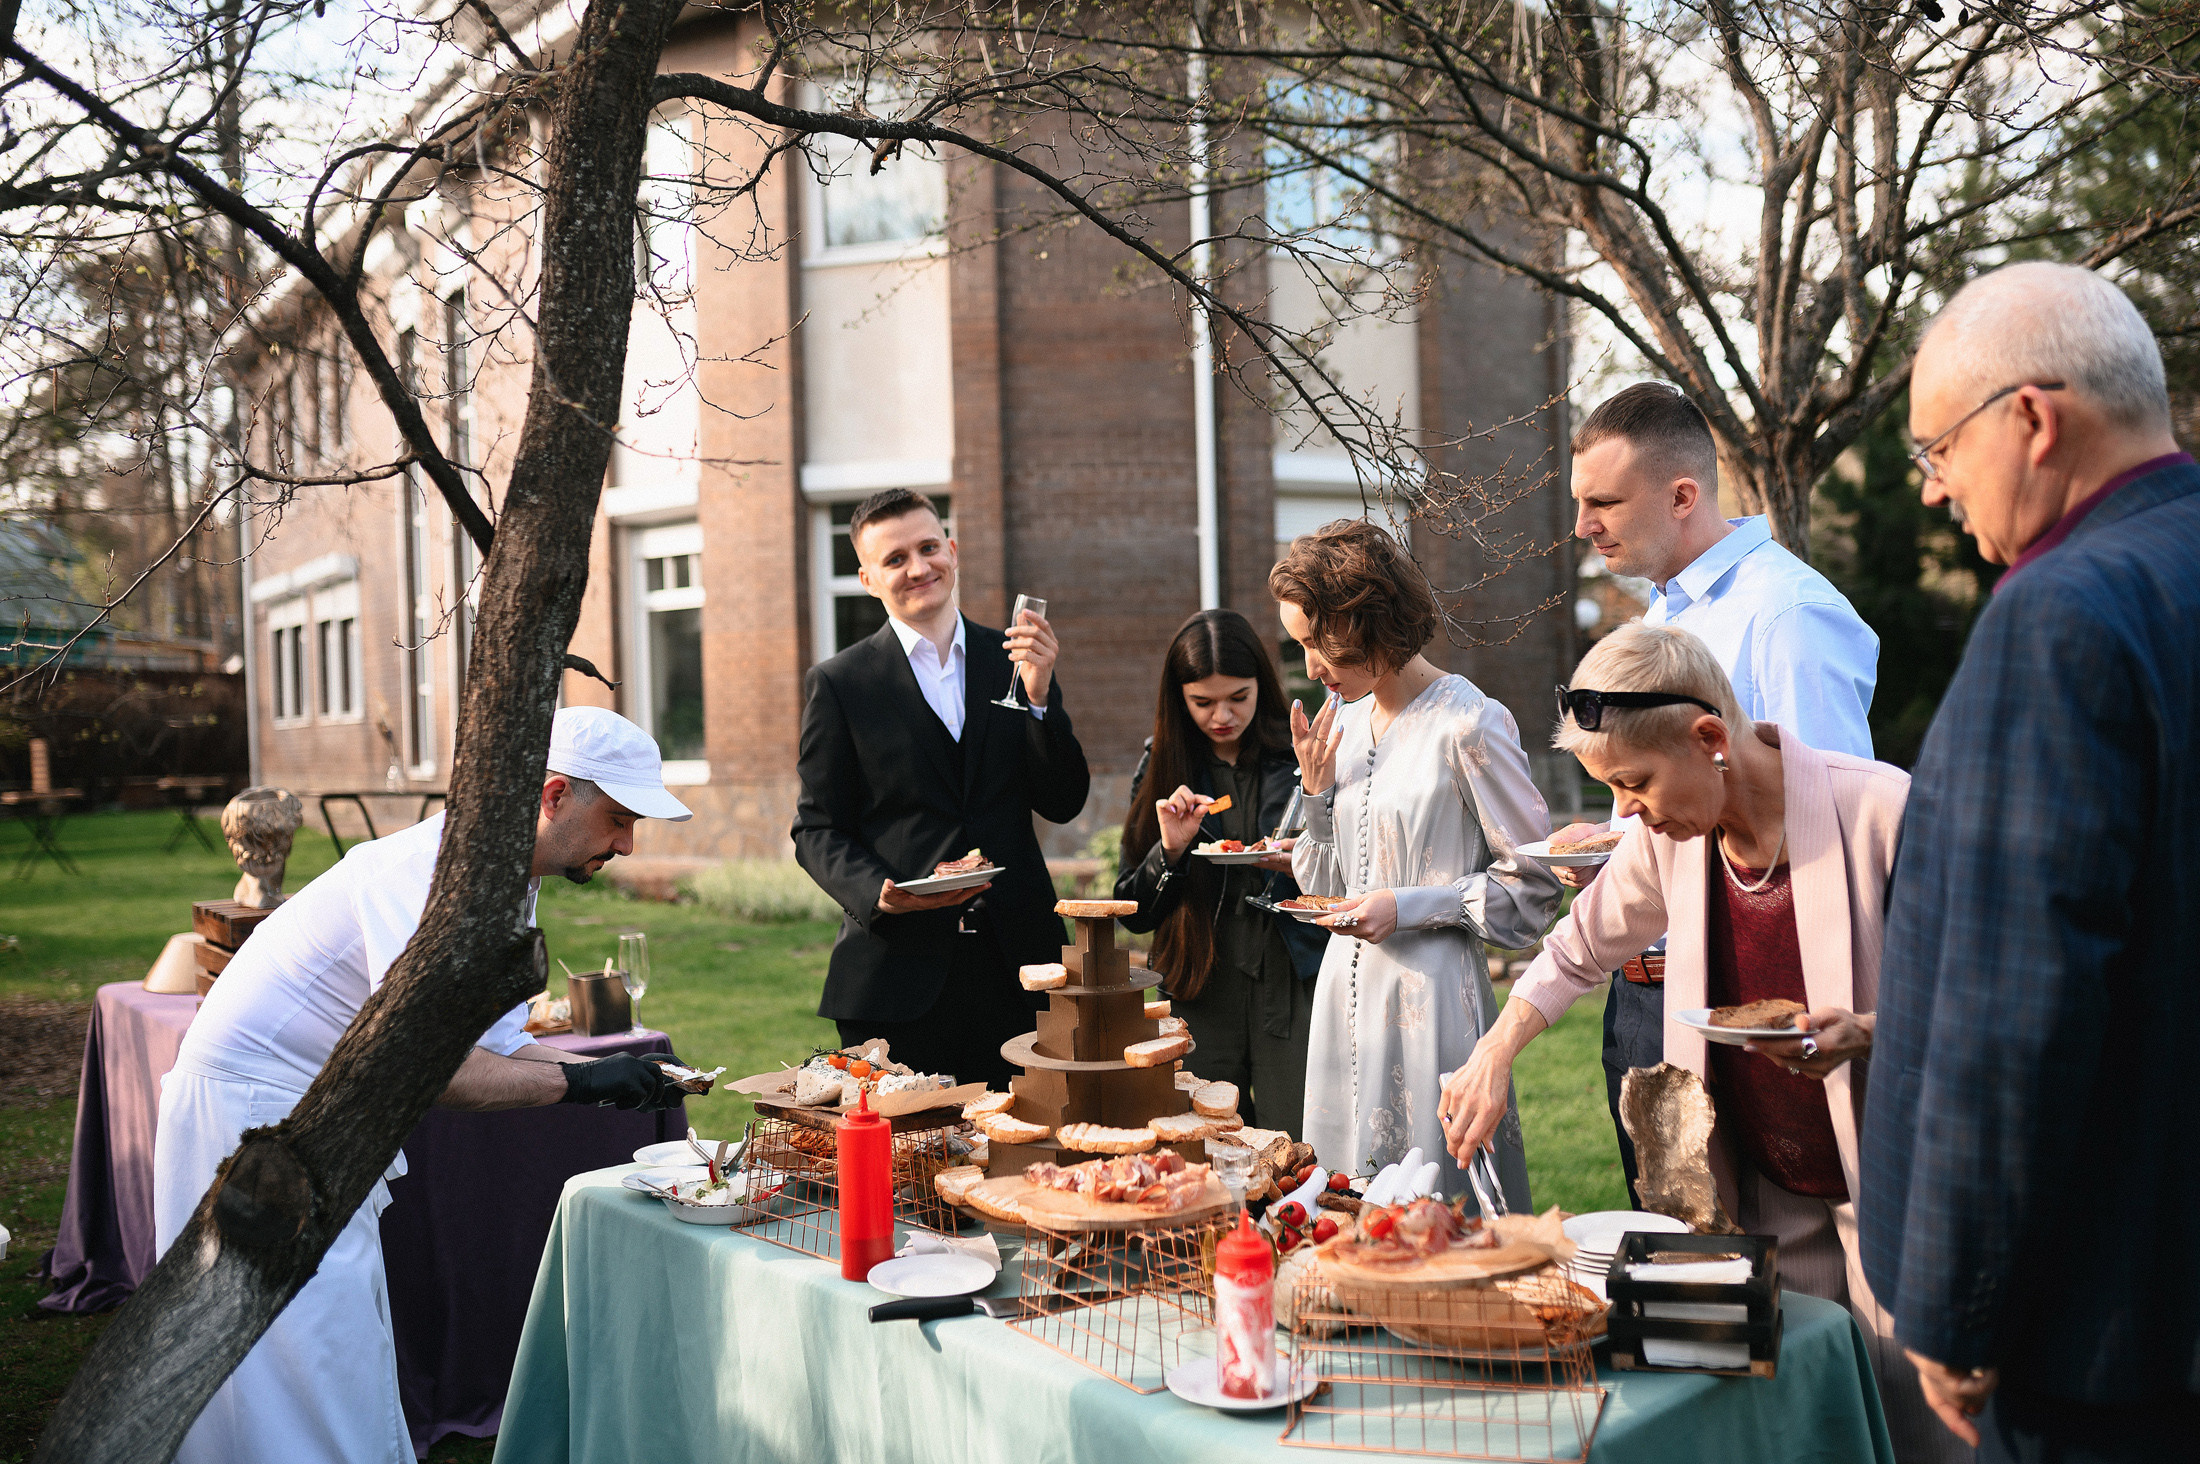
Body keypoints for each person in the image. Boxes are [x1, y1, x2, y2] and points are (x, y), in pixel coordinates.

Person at [1439, 623, 1960, 1462]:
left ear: (1709, 737)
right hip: (1764, 1198)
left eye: (1636, 783)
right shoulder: (1665, 843)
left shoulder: (1885, 810)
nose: (1629, 813)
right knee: (1792, 1425)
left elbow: (1976, 999)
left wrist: (1864, 1033)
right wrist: (1493, 1052)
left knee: (1919, 1429)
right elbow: (1575, 949)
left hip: (1894, 1197)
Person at [152, 707, 695, 1464]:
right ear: (553, 794)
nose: (629, 843)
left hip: (318, 1123)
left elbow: (497, 1046)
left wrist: (608, 1077)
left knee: (331, 1360)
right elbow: (441, 1070)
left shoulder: (506, 880)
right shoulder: (429, 874)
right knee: (300, 1372)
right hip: (247, 1125)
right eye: (619, 818)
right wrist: (584, 1083)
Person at [1861, 262, 2200, 1462]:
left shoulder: (2061, 612)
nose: (1936, 488)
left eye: (1936, 449)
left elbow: (2018, 1006)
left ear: (2033, 419)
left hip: (2089, 1339)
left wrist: (1957, 1313)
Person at [1560, 382, 1878, 1199]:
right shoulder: (1660, 618)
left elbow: (1822, 834)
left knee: (1770, 1264)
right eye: (1579, 501)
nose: (1582, 525)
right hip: (1649, 982)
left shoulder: (1789, 616)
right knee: (1678, 1265)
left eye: (1603, 501)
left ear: (1682, 496)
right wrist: (1614, 843)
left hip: (1749, 1009)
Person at [1275, 519, 1560, 1204]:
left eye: (1318, 643)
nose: (1310, 667)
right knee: (1341, 1215)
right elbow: (1321, 884)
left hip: (1434, 1010)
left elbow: (1535, 891)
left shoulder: (1470, 724)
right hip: (1340, 1004)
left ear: (1368, 622)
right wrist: (1314, 796)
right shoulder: (1339, 722)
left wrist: (1409, 905)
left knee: (1438, 1221)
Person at [792, 488, 1090, 1088]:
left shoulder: (1014, 659)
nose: (918, 568)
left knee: (1030, 1158)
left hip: (1020, 969)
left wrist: (1038, 699)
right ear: (868, 579)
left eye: (929, 547)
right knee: (912, 1171)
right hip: (898, 979)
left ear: (952, 551)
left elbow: (1062, 799)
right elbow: (816, 828)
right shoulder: (840, 683)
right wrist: (880, 892)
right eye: (895, 559)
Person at [1114, 609, 1325, 1136]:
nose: (1222, 716)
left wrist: (1307, 856)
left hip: (1291, 974)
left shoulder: (1301, 755)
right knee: (1203, 1141)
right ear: (1178, 699)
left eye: (1239, 697)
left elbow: (1351, 872)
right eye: (1202, 702)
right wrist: (1170, 851)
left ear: (1263, 685)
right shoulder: (1162, 763)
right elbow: (1133, 911)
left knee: (1295, 1141)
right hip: (1198, 976)